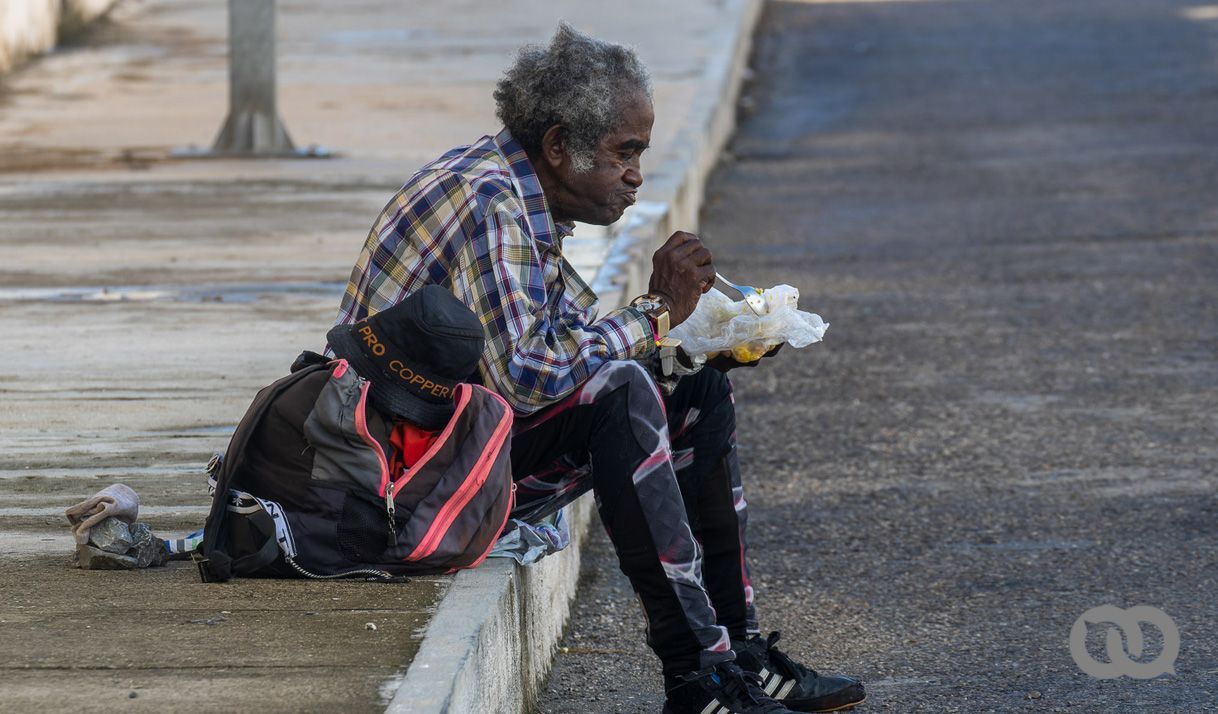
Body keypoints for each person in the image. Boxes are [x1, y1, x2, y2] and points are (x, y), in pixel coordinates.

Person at [333, 24, 865, 714]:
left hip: (444, 443)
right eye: (625, 152)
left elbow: (544, 351)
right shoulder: (493, 204)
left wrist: (689, 342)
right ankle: (699, 679)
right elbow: (529, 378)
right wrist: (653, 312)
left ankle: (740, 655)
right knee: (622, 393)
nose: (637, 174)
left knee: (693, 387)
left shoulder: (517, 191)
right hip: (401, 478)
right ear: (559, 145)